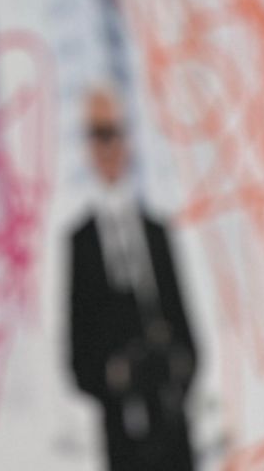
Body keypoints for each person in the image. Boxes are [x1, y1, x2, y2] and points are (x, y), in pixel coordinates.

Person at [66, 87, 199, 471]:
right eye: (98, 135)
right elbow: (77, 345)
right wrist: (112, 379)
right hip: (122, 423)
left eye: (114, 133)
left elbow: (182, 317)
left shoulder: (155, 233)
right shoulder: (81, 242)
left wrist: (176, 370)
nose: (108, 146)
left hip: (169, 411)